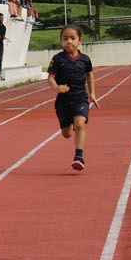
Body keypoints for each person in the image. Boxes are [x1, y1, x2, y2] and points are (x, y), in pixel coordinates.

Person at [48, 24, 98, 172]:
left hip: (80, 98)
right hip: (63, 101)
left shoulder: (85, 59)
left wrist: (93, 93)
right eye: (65, 39)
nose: (69, 42)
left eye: (72, 38)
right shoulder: (57, 59)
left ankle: (79, 157)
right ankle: (70, 125)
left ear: (80, 41)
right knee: (67, 134)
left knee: (80, 123)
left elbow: (89, 74)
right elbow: (51, 77)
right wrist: (57, 88)